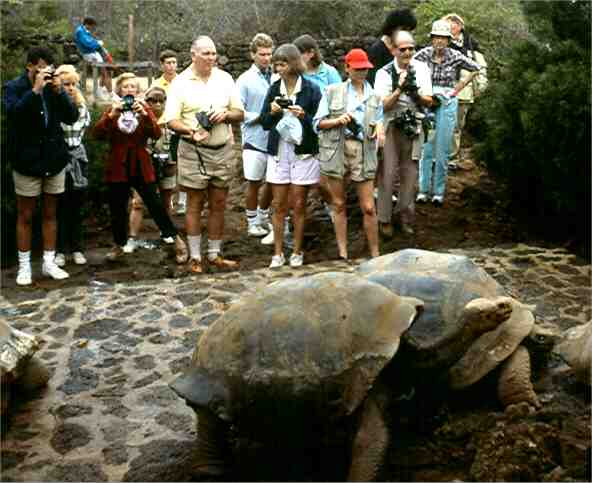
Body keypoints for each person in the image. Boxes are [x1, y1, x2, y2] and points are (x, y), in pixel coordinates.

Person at [164, 36, 244, 274]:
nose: (211, 58)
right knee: (195, 204)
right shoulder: (180, 83)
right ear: (193, 55)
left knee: (219, 203)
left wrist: (225, 115)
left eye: (213, 53)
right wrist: (190, 131)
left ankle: (215, 254)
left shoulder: (225, 78)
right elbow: (171, 120)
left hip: (222, 150)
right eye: (206, 53)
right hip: (193, 151)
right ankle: (195, 257)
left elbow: (240, 112)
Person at [3, 47, 79, 285]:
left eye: (48, 68)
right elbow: (14, 115)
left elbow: (71, 117)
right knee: (25, 214)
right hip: (26, 160)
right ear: (30, 66)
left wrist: (60, 92)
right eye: (41, 67)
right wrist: (35, 90)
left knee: (50, 213)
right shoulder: (13, 88)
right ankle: (24, 266)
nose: (44, 72)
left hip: (53, 158)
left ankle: (48, 262)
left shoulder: (53, 89)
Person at [92, 72, 187, 262]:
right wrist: (112, 116)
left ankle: (176, 239)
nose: (129, 90)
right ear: (120, 89)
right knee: (117, 207)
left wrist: (144, 115)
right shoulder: (112, 109)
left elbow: (156, 133)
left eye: (132, 87)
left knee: (155, 203)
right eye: (126, 87)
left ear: (137, 90)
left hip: (140, 162)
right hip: (118, 164)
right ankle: (118, 244)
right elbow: (97, 134)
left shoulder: (143, 108)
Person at [314, 48, 383, 260]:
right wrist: (338, 120)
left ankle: (375, 253)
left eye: (365, 69)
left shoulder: (375, 96)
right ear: (347, 68)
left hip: (364, 150)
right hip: (337, 149)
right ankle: (342, 253)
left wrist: (378, 132)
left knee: (369, 206)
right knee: (339, 203)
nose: (362, 73)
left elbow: (379, 125)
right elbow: (318, 123)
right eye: (358, 68)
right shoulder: (332, 91)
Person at [260, 43, 322, 268]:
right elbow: (265, 123)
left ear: (294, 63)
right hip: (278, 151)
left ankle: (297, 251)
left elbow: (319, 123)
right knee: (278, 204)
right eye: (276, 64)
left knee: (299, 204)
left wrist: (303, 115)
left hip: (303, 152)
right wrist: (273, 112)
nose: (278, 68)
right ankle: (277, 253)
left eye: (282, 63)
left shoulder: (311, 89)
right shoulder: (274, 88)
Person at [414, 20, 482, 206]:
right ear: (432, 38)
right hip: (428, 99)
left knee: (443, 147)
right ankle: (423, 189)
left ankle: (438, 192)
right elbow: (409, 69)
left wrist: (456, 90)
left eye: (443, 38)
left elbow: (476, 68)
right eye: (436, 37)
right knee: (426, 146)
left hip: (447, 98)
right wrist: (419, 91)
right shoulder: (423, 55)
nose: (439, 42)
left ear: (448, 40)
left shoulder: (455, 55)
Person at [374, 31, 433, 237]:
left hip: (413, 123)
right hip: (390, 124)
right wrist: (399, 88)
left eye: (411, 48)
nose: (407, 52)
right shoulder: (383, 73)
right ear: (393, 50)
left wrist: (414, 90)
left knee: (410, 173)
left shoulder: (422, 69)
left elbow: (429, 99)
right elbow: (382, 105)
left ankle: (405, 216)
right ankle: (384, 218)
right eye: (403, 49)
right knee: (387, 174)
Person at [293, 34, 341, 223]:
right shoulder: (297, 75)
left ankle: (334, 207)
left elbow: (338, 97)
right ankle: (321, 207)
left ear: (311, 53)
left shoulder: (328, 73)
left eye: (300, 54)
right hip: (304, 129)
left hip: (326, 127)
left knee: (325, 176)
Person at [125, 86, 178, 253]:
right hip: (144, 165)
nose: (156, 104)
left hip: (167, 163)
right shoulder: (139, 118)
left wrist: (175, 162)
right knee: (138, 202)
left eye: (160, 101)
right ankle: (132, 237)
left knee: (166, 200)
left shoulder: (172, 120)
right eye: (152, 101)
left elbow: (177, 144)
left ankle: (166, 232)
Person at [236, 33, 274, 238]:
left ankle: (263, 214)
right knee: (253, 181)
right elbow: (237, 110)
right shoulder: (244, 80)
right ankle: (252, 221)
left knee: (273, 181)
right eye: (262, 54)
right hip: (253, 138)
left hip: (275, 138)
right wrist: (261, 116)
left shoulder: (277, 76)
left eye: (269, 54)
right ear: (253, 55)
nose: (266, 58)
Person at [54, 64, 91, 268]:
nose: (69, 88)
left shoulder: (81, 106)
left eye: (73, 84)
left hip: (77, 156)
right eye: (65, 84)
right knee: (59, 205)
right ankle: (59, 250)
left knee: (76, 205)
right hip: (59, 158)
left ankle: (77, 248)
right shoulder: (53, 105)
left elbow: (78, 131)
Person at [443, 13, 488, 168]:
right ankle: (437, 156)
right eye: (448, 22)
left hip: (464, 91)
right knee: (440, 123)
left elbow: (480, 66)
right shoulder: (441, 41)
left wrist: (481, 86)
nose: (451, 25)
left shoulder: (471, 43)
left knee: (457, 126)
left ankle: (451, 158)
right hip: (442, 90)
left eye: (454, 22)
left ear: (461, 25)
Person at [150, 49, 186, 214]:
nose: (172, 66)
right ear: (162, 65)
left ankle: (183, 201)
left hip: (180, 126)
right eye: (168, 63)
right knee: (165, 163)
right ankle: (166, 199)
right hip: (162, 127)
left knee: (182, 162)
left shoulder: (184, 81)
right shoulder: (156, 84)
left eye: (174, 62)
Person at [367, 7, 418, 87]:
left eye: (409, 30)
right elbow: (372, 81)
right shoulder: (376, 51)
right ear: (392, 28)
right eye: (403, 29)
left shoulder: (409, 48)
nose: (406, 33)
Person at [73, 16, 113, 98]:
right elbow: (88, 44)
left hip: (93, 53)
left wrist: (97, 42)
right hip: (88, 54)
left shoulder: (85, 31)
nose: (92, 28)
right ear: (88, 24)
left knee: (105, 72)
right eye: (92, 26)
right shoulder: (80, 31)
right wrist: (98, 43)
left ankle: (100, 91)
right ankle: (109, 94)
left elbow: (91, 41)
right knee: (104, 72)